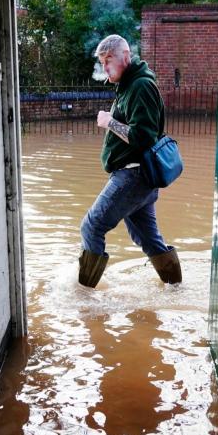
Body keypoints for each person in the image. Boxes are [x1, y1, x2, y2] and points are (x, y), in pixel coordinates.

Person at [78, 34, 182, 288]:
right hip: (140, 179)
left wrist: (109, 122)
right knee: (148, 239)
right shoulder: (128, 86)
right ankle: (176, 288)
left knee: (92, 226)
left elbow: (143, 137)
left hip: (133, 176)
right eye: (102, 62)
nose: (105, 67)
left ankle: (83, 294)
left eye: (109, 60)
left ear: (125, 56)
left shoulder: (140, 87)